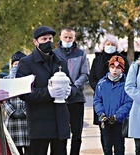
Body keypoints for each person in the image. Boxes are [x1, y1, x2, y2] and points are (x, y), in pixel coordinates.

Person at [16, 26, 78, 155]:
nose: (48, 42)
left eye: (50, 38)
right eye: (44, 39)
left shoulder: (60, 61)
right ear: (35, 42)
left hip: (60, 120)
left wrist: (69, 92)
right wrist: (48, 92)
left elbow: (72, 85)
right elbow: (23, 92)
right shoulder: (26, 63)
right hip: (40, 121)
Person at [89, 34, 129, 148]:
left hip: (119, 102)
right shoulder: (97, 60)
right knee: (105, 137)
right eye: (108, 44)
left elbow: (128, 79)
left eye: (112, 44)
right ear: (103, 45)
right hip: (103, 100)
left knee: (118, 140)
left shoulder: (123, 59)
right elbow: (92, 78)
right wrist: (101, 90)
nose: (110, 46)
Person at [53, 26, 89, 155]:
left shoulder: (81, 54)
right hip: (59, 99)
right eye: (65, 37)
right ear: (60, 38)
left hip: (76, 98)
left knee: (76, 133)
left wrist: (74, 88)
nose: (68, 39)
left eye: (70, 37)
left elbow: (85, 74)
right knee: (61, 133)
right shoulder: (54, 54)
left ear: (74, 38)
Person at [93, 55, 132, 155]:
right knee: (106, 146)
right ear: (109, 68)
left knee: (119, 147)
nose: (115, 70)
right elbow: (97, 100)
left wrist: (117, 116)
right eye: (112, 67)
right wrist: (101, 113)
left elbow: (128, 102)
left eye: (118, 68)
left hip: (119, 121)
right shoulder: (101, 83)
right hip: (105, 120)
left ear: (122, 69)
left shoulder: (126, 84)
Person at [3, 51, 30, 155]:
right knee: (14, 152)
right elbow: (4, 100)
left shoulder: (30, 80)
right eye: (15, 63)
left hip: (27, 121)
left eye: (20, 63)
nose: (17, 66)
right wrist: (13, 112)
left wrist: (25, 111)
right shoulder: (5, 80)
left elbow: (34, 98)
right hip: (12, 122)